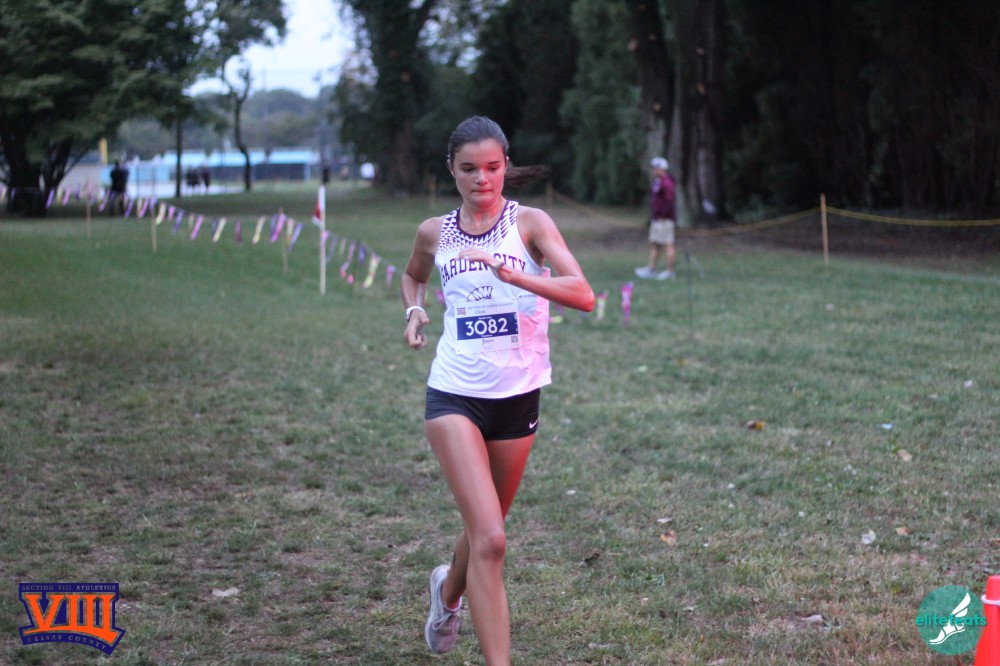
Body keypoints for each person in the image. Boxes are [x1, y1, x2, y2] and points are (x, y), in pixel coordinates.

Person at [401, 116, 594, 665]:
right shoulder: (434, 232)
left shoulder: (530, 224)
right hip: (454, 393)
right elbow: (413, 275)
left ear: (506, 165)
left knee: (485, 530)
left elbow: (582, 294)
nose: (481, 179)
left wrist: (516, 277)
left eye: (491, 167)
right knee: (490, 539)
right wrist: (413, 310)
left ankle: (447, 595)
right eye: (468, 169)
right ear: (451, 170)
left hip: (518, 396)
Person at [635, 156, 676, 280]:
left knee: (668, 244)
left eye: (656, 168)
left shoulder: (667, 183)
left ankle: (670, 271)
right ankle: (651, 269)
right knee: (655, 244)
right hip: (657, 219)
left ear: (662, 168)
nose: (653, 170)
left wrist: (663, 215)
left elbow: (669, 201)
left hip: (665, 220)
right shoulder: (658, 182)